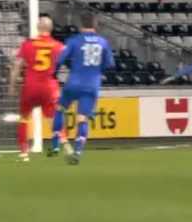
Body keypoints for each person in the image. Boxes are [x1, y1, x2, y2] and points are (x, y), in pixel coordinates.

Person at [52, 12, 115, 165]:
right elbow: (110, 65)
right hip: (91, 85)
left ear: (81, 25)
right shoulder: (103, 42)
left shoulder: (73, 41)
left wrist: (55, 73)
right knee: (82, 118)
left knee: (60, 109)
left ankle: (56, 143)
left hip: (73, 82)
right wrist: (97, 71)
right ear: (96, 25)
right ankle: (78, 151)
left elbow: (59, 59)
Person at [9, 15, 68, 162]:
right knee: (52, 118)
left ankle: (24, 153)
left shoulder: (28, 44)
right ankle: (65, 145)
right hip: (49, 87)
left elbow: (16, 66)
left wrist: (12, 85)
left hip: (31, 86)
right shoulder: (59, 46)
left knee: (24, 118)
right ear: (51, 28)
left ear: (37, 27)